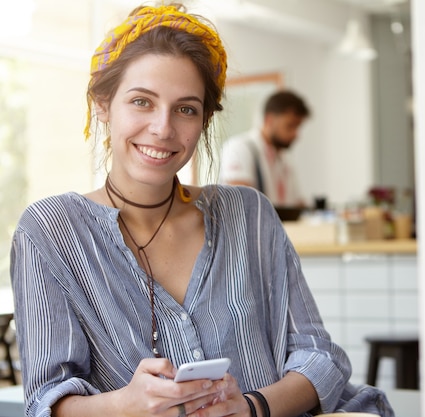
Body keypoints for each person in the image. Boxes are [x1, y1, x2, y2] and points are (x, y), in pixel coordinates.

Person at [10, 3, 394, 417]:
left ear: (205, 120)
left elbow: (322, 358)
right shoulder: (49, 232)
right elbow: (47, 401)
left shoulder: (249, 215)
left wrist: (251, 407)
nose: (163, 128)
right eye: (142, 101)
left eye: (186, 109)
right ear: (102, 104)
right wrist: (127, 404)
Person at [219, 90, 310, 207]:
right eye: (290, 126)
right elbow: (241, 203)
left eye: (297, 127)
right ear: (269, 120)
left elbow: (297, 205)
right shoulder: (240, 149)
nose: (295, 134)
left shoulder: (284, 160)